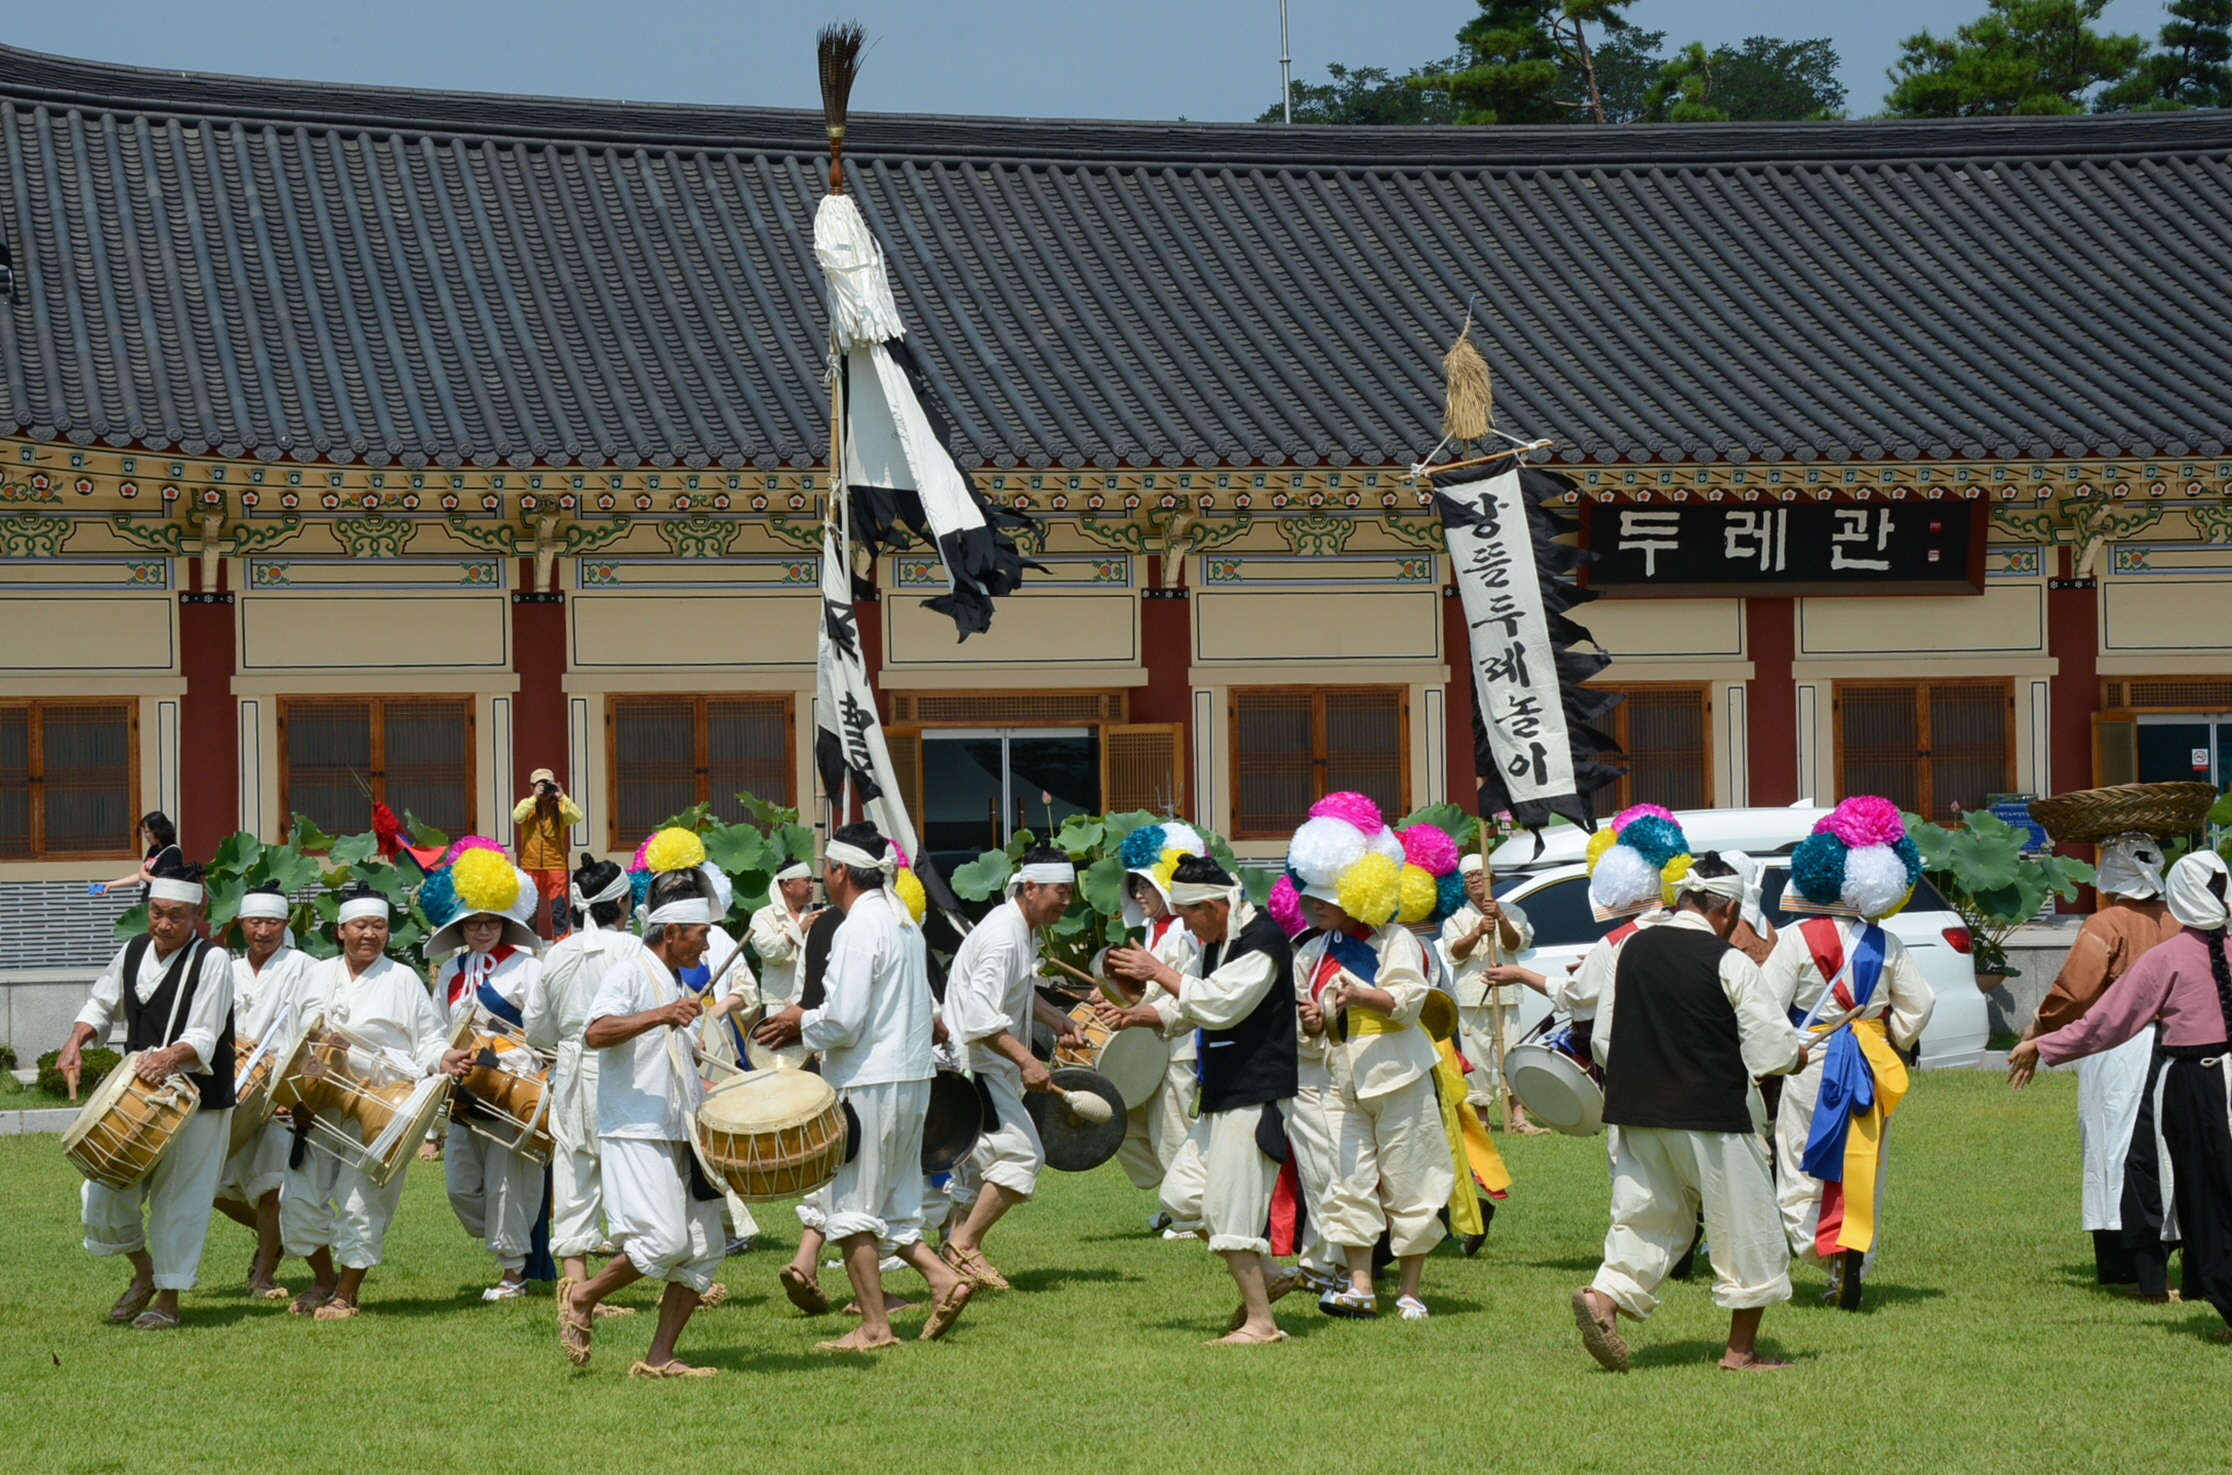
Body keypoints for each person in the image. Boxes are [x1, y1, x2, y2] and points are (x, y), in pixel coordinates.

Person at [1572, 853, 1808, 1373]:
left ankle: (1605, 1299)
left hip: (1636, 1111)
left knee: (1645, 1217)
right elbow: (1773, 1052)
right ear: (1725, 909)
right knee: (1746, 1227)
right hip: (1712, 1114)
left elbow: (1606, 1039)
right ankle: (1739, 1353)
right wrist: (1797, 1056)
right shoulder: (1729, 961)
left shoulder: (1628, 947)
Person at [754, 823, 973, 1351]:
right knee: (896, 1205)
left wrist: (797, 1024)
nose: (822, 880)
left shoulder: (858, 927)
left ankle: (875, 1327)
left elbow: (845, 1019)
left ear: (841, 871)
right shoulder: (902, 923)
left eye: (825, 869)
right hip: (911, 1079)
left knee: (850, 1210)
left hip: (868, 1082)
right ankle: (944, 1281)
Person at [2012, 851, 2232, 1340]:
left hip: (2181, 1078)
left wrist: (2042, 1038)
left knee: (2176, 1182)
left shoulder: (2145, 946)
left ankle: (2186, 1282)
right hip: (2203, 1073)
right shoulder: (2184, 941)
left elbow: (2099, 1017)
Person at [1103, 856, 1299, 1344]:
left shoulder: (1264, 942)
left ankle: (1262, 1325)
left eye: (1189, 914)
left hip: (1258, 1095)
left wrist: (1153, 968)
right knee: (1182, 1196)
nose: (1184, 923)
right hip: (1224, 1095)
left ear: (1213, 906)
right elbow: (1183, 1002)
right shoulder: (1215, 940)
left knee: (1231, 1211)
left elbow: (1216, 1004)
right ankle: (1271, 1277)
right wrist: (1139, 1016)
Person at [1761, 800, 1936, 1309]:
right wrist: (1893, 1038)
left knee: (1800, 1160)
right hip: (1871, 1061)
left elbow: (1767, 1006)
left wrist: (1777, 1055)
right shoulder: (1889, 943)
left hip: (1811, 1060)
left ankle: (1818, 1249)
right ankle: (1850, 1258)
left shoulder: (1795, 939)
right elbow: (1920, 1004)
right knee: (1863, 1164)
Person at [560, 870, 731, 1377]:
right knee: (662, 1243)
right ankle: (583, 1296)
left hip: (678, 1128)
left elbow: (673, 1058)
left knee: (703, 1250)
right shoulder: (631, 972)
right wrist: (662, 1016)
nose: (706, 943)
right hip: (634, 1128)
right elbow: (596, 1032)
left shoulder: (675, 979)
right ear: (672, 932)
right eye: (700, 934)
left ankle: (659, 1358)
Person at [57, 860, 234, 1330]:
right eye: (157, 912)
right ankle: (144, 1272)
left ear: (196, 917)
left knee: (181, 1199)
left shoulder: (212, 959)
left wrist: (170, 1056)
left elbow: (204, 1031)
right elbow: (100, 1002)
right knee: (101, 1190)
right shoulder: (134, 949)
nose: (165, 924)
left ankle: (169, 1301)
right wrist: (76, 1041)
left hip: (197, 1099)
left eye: (176, 915)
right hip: (139, 1091)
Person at [281, 886, 470, 1320]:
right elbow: (291, 1038)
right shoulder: (314, 975)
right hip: (318, 1105)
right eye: (361, 926)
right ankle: (324, 1279)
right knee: (299, 1200)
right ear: (341, 929)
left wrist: (443, 1057)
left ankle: (347, 1293)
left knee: (361, 1200)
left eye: (379, 926)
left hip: (380, 1106)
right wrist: (290, 1092)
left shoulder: (402, 979)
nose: (370, 934)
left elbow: (429, 1039)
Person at [2018, 831, 2185, 1297]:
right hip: (2173, 1046)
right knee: (2163, 1152)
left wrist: (2039, 1029)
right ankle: (2162, 1256)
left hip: (2117, 1048)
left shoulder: (2106, 923)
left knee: (2114, 1151)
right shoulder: (2179, 919)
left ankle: (2124, 1262)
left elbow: (2075, 991)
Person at [939, 847, 1082, 1289]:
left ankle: (952, 1263)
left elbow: (1015, 993)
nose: (1066, 901)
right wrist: (1027, 1060)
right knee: (1023, 1157)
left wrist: (1057, 1018)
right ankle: (965, 1246)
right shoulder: (1004, 936)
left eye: (1070, 892)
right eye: (1060, 891)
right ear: (1031, 887)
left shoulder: (1021, 928)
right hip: (977, 1066)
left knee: (977, 1169)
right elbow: (982, 1020)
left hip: (985, 1064)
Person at [524, 855, 639, 1315]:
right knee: (633, 1167)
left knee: (574, 1175)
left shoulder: (557, 954)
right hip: (622, 1069)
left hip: (571, 1069)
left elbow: (537, 1030)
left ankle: (577, 1286)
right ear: (623, 903)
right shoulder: (633, 952)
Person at [428, 859, 546, 1301]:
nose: (482, 930)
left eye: (491, 922)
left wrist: (509, 1059)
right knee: (462, 1188)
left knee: (506, 1180)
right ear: (460, 928)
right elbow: (439, 1028)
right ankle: (515, 1233)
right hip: (462, 1088)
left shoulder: (525, 968)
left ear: (504, 923)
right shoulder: (451, 974)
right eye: (473, 923)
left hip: (511, 1086)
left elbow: (542, 1031)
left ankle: (513, 1271)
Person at [212, 884, 314, 1301]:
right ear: (240, 925)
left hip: (278, 1089)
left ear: (285, 925)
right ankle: (274, 1236)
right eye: (255, 922)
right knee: (213, 1189)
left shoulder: (305, 966)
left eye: (273, 922)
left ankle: (264, 1274)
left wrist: (300, 1087)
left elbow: (314, 1026)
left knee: (272, 1186)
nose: (264, 930)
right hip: (230, 1089)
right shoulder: (226, 970)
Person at [1110, 847, 1203, 1210]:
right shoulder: (1151, 930)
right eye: (1134, 887)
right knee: (1124, 1121)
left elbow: (1182, 987)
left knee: (1173, 1126)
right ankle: (1173, 1198)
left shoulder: (1183, 930)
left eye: (1145, 886)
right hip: (1146, 1042)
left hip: (1178, 1043)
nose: (1137, 894)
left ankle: (1190, 1208)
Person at [1440, 854, 1538, 1131]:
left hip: (1506, 994)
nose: (1474, 880)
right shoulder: (1456, 918)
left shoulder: (1512, 910)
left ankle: (1518, 1117)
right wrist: (1477, 931)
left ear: (1491, 879)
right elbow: (1455, 953)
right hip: (1473, 996)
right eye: (1468, 876)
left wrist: (1500, 918)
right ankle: (1482, 1119)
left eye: (1478, 875)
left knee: (1511, 1054)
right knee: (1478, 1059)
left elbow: (1516, 943)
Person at [747, 860, 824, 1065]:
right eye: (806, 881)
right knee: (781, 1066)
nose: (811, 886)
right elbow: (770, 951)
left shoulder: (819, 913)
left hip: (813, 1006)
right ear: (787, 885)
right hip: (778, 1004)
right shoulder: (763, 917)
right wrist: (798, 931)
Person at [512, 769, 584, 940]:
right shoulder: (527, 805)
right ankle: (528, 943)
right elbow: (517, 816)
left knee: (559, 908)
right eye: (540, 784)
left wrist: (562, 796)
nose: (544, 789)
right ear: (532, 786)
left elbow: (577, 816)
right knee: (529, 909)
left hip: (556, 865)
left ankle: (561, 943)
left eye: (547, 784)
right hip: (531, 865)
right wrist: (534, 798)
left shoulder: (560, 806)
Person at [93, 811, 182, 897]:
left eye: (147, 832)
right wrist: (111, 884)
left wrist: (144, 876)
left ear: (158, 830)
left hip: (162, 906)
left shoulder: (172, 852)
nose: (145, 836)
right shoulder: (154, 849)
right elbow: (140, 875)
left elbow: (166, 882)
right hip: (148, 901)